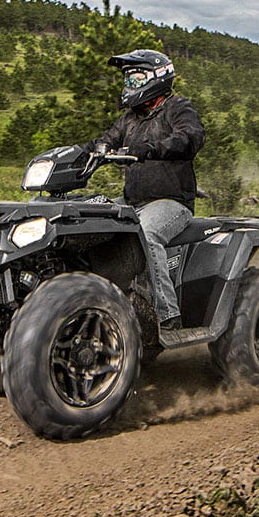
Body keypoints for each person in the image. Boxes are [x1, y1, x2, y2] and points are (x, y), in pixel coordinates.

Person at [93, 49, 204, 330]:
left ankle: (167, 316)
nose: (130, 85)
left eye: (136, 78)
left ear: (157, 78)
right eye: (128, 80)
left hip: (172, 202)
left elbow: (190, 138)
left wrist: (151, 148)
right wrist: (92, 151)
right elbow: (107, 140)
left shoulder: (178, 108)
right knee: (89, 220)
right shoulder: (130, 118)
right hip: (134, 201)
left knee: (146, 234)